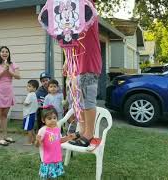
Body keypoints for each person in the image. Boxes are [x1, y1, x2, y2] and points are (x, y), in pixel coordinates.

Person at [63, 0, 102, 147]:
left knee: (87, 100)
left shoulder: (87, 8)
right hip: (79, 64)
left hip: (88, 64)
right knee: (81, 101)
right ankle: (84, 130)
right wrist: (68, 60)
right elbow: (71, 40)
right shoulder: (75, 14)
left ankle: (89, 134)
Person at [0, 46, 20, 146]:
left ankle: (5, 136)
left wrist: (8, 70)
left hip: (8, 92)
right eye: (2, 51)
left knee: (5, 115)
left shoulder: (12, 64)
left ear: (9, 53)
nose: (4, 53)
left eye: (6, 52)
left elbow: (18, 76)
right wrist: (3, 71)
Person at [35, 106, 73, 179]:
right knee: (46, 177)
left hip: (56, 157)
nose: (53, 120)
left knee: (54, 177)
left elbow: (60, 141)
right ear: (43, 120)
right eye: (49, 118)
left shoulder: (57, 129)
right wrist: (37, 141)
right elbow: (37, 145)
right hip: (47, 159)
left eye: (54, 118)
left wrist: (68, 137)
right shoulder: (43, 130)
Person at [23, 79, 39, 145]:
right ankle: (34, 140)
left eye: (29, 86)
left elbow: (26, 103)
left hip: (28, 114)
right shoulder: (34, 94)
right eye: (27, 86)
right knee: (31, 128)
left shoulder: (30, 94)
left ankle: (29, 142)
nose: (27, 87)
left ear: (34, 88)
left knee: (29, 129)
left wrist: (22, 102)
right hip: (32, 113)